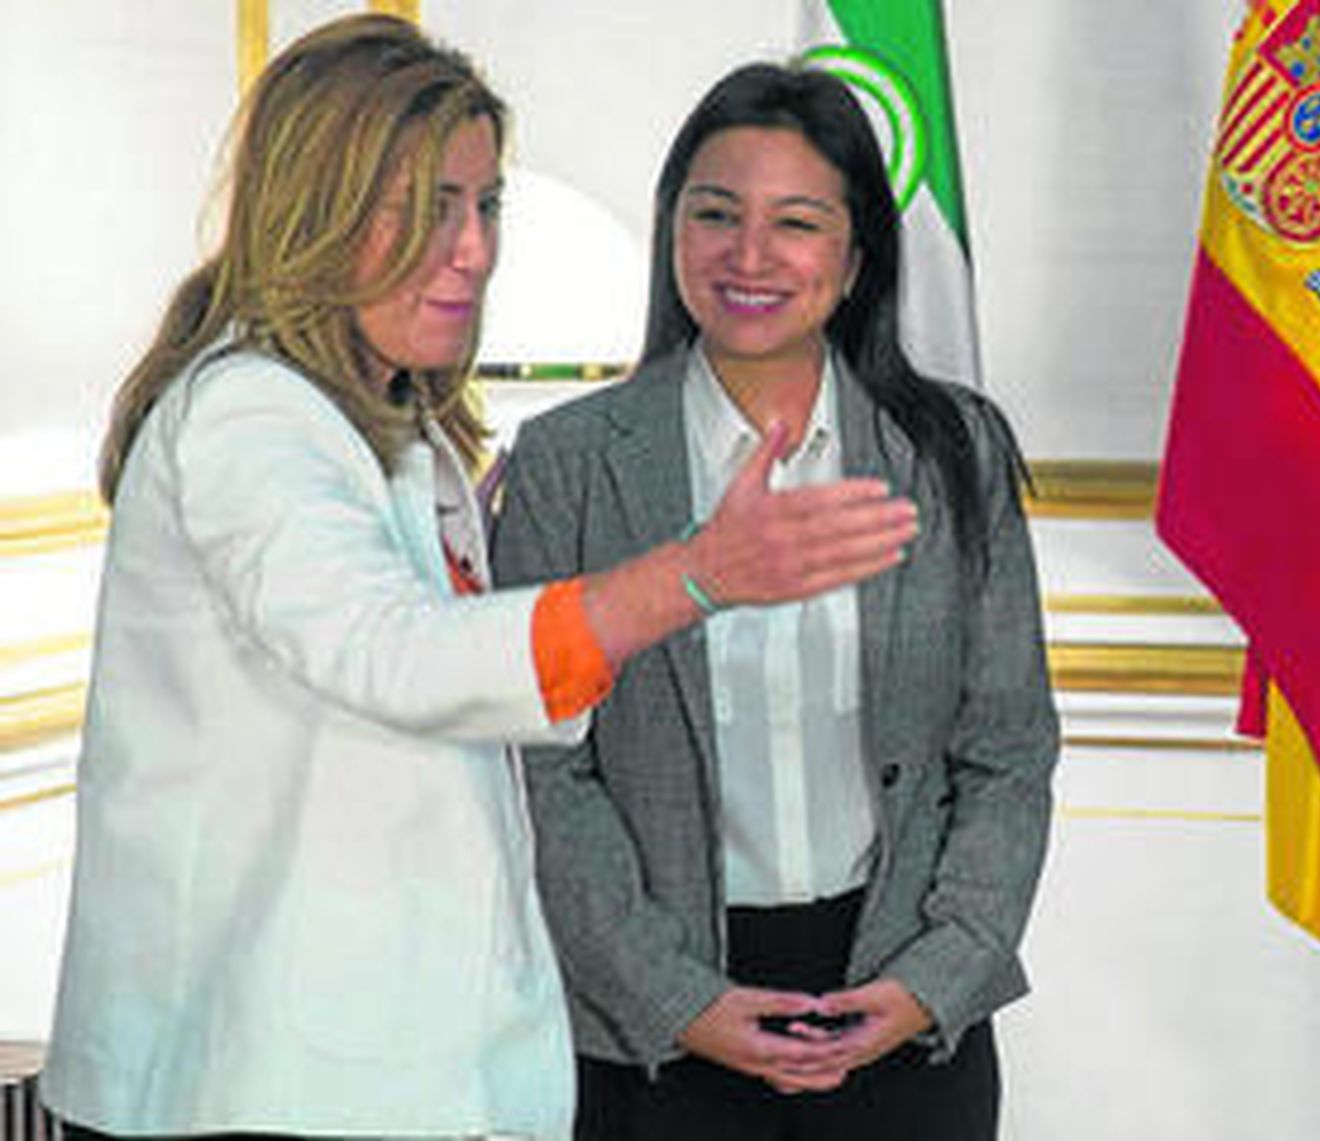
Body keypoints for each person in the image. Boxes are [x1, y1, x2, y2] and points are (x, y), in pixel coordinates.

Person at [40, 21, 916, 1141]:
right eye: (421, 206)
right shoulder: (247, 415)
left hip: (364, 1068)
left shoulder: (401, 430)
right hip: (253, 1074)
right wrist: (694, 577)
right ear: (312, 210)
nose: (471, 248)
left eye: (483, 203)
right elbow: (394, 654)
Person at [492, 61, 1059, 1141]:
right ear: (673, 236)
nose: (748, 257)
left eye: (794, 223)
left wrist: (935, 976)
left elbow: (1009, 750)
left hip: (903, 1009)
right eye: (715, 215)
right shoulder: (567, 462)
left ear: (853, 259)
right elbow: (547, 775)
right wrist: (677, 999)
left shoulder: (953, 451)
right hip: (655, 1028)